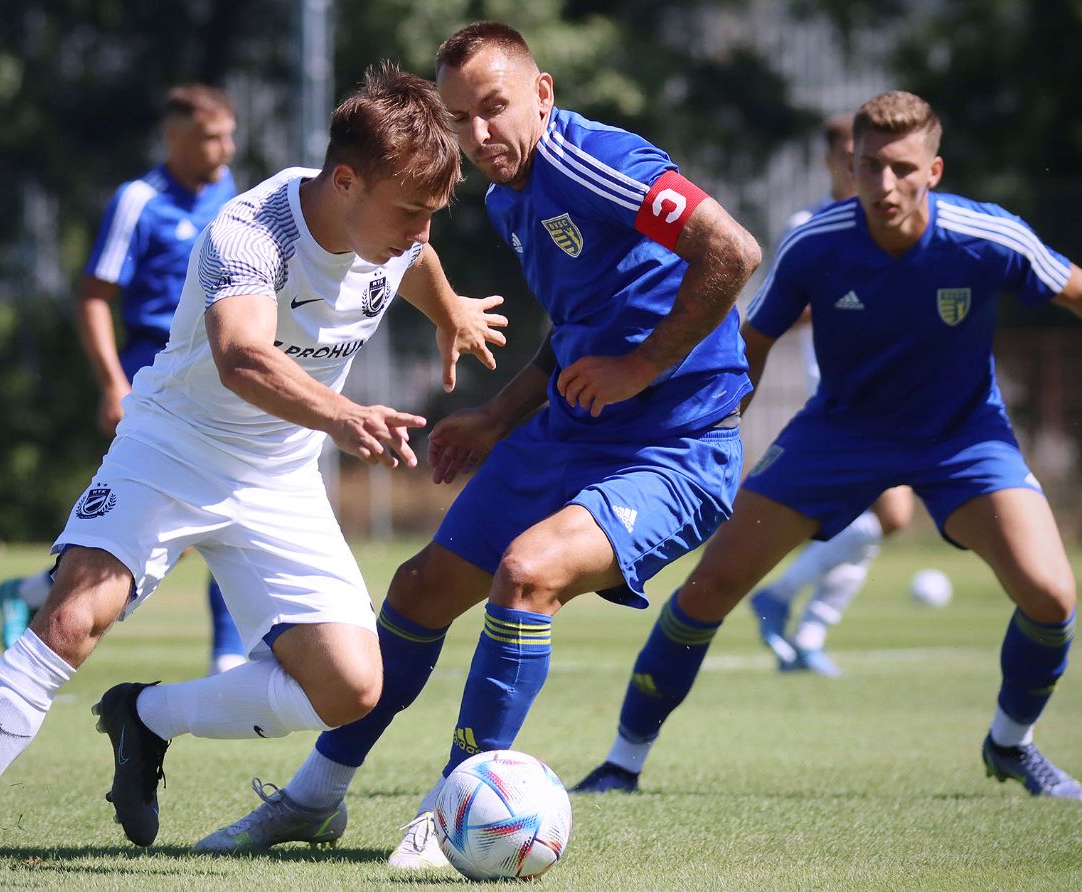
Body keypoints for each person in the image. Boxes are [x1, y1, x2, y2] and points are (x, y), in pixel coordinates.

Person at [0, 61, 508, 881]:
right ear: (346, 182)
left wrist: (452, 309)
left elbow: (414, 261)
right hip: (173, 450)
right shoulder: (249, 231)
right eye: (411, 211)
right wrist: (343, 416)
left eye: (434, 213)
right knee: (71, 621)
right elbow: (240, 357)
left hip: (278, 477)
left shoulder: (393, 230)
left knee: (353, 688)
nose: (422, 232)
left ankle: (146, 717)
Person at [194, 21, 761, 868]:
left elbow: (733, 251)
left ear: (544, 94)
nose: (480, 133)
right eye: (460, 118)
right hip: (572, 432)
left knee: (528, 575)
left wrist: (641, 367)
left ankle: (453, 810)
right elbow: (578, 329)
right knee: (419, 589)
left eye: (496, 107)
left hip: (677, 447)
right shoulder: (507, 199)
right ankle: (311, 799)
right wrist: (497, 417)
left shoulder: (595, 162)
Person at [573, 90, 1082, 799]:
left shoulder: (986, 235)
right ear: (850, 166)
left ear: (934, 171)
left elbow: (1073, 290)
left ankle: (1010, 743)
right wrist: (717, 436)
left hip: (963, 436)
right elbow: (752, 342)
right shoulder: (816, 242)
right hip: (839, 433)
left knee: (1052, 596)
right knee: (709, 588)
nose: (884, 184)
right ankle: (621, 764)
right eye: (870, 166)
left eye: (902, 169)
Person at [0, 83, 249, 674]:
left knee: (225, 500)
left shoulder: (232, 192)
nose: (226, 148)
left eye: (229, 135)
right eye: (211, 137)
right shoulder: (138, 201)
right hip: (153, 369)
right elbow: (93, 296)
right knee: (155, 517)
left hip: (216, 370)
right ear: (174, 136)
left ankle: (229, 653)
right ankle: (40, 594)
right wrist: (114, 382)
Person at [746, 113, 918, 678]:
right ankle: (781, 595)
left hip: (894, 385)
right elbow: (779, 309)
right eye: (853, 154)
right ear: (831, 161)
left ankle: (809, 631)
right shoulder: (809, 225)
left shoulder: (895, 224)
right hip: (841, 390)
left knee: (865, 524)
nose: (863, 166)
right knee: (893, 513)